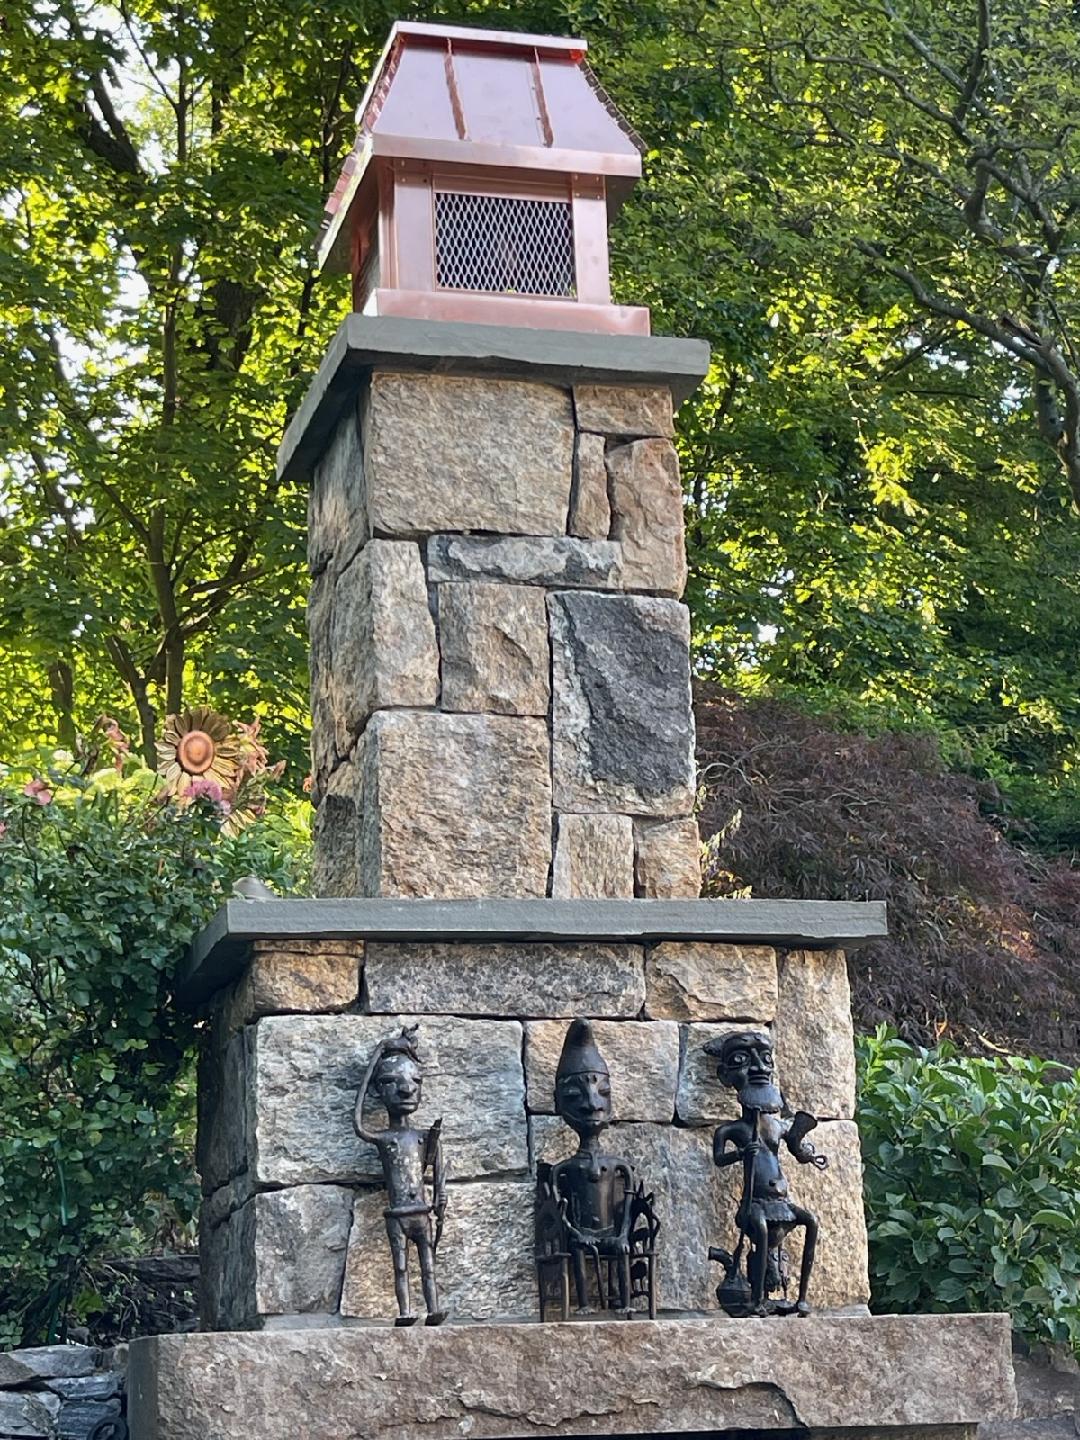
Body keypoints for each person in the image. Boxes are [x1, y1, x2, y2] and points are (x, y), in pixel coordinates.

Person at [354, 1026, 447, 1326]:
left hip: (421, 1212)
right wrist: (381, 1049)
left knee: (429, 1266)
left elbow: (439, 1170)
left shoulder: (425, 1137)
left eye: (415, 1082)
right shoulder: (385, 1138)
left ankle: (433, 1309)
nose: (407, 1089)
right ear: (378, 1090)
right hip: (397, 1215)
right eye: (391, 1082)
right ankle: (405, 1311)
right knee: (401, 1267)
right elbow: (357, 1121)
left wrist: (441, 1197)